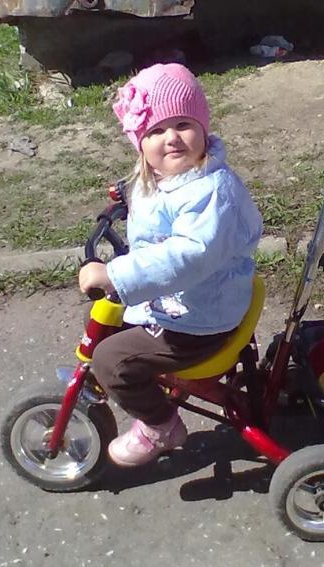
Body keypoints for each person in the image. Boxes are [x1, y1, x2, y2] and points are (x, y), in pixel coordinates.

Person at [78, 63, 263, 467]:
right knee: (118, 325)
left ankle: (160, 425)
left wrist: (115, 274)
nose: (171, 137)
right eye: (156, 131)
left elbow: (187, 256)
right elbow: (157, 199)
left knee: (111, 360)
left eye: (183, 124)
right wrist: (126, 202)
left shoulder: (211, 192)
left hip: (196, 319)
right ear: (140, 144)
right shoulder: (166, 175)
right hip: (195, 299)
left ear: (203, 128)